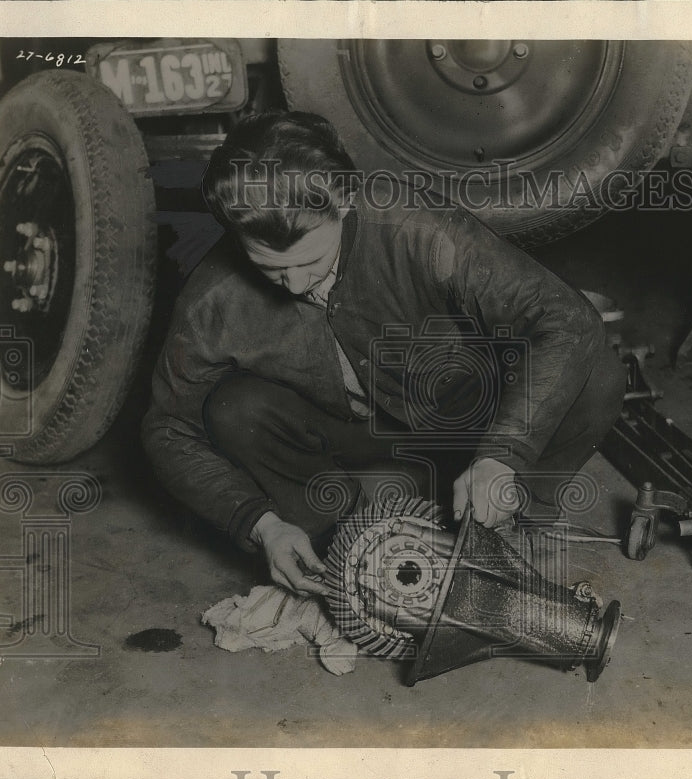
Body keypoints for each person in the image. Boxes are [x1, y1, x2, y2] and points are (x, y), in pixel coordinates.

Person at [141, 111, 624, 598]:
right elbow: (167, 429)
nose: (295, 284)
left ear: (345, 203)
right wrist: (262, 524)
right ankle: (337, 538)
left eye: (310, 260)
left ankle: (518, 517)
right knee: (233, 408)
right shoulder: (211, 301)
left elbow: (566, 319)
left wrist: (504, 457)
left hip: (468, 414)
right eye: (268, 268)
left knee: (596, 370)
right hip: (347, 431)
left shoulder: (416, 228)